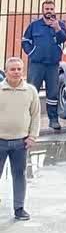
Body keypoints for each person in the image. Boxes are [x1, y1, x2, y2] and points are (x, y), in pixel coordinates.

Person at [0, 57, 38, 221]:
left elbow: (35, 115)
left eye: (19, 69)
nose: (16, 72)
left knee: (19, 175)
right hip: (0, 141)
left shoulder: (30, 91)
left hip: (21, 142)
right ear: (6, 72)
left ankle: (19, 208)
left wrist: (32, 136)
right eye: (12, 69)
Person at [20, 0, 66, 131]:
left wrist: (57, 28)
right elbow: (25, 41)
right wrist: (32, 53)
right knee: (32, 92)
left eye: (51, 9)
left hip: (53, 65)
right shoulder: (34, 25)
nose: (49, 11)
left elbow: (63, 39)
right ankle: (28, 121)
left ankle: (53, 120)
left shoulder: (60, 25)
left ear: (54, 10)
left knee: (53, 93)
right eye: (47, 9)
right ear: (42, 10)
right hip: (37, 65)